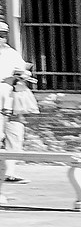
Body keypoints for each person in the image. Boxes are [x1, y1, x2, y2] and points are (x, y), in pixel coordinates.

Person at [0, 35, 30, 184]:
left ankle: (10, 172)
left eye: (3, 35)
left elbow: (24, 70)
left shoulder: (11, 54)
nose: (0, 38)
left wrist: (22, 75)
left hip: (11, 97)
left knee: (15, 133)